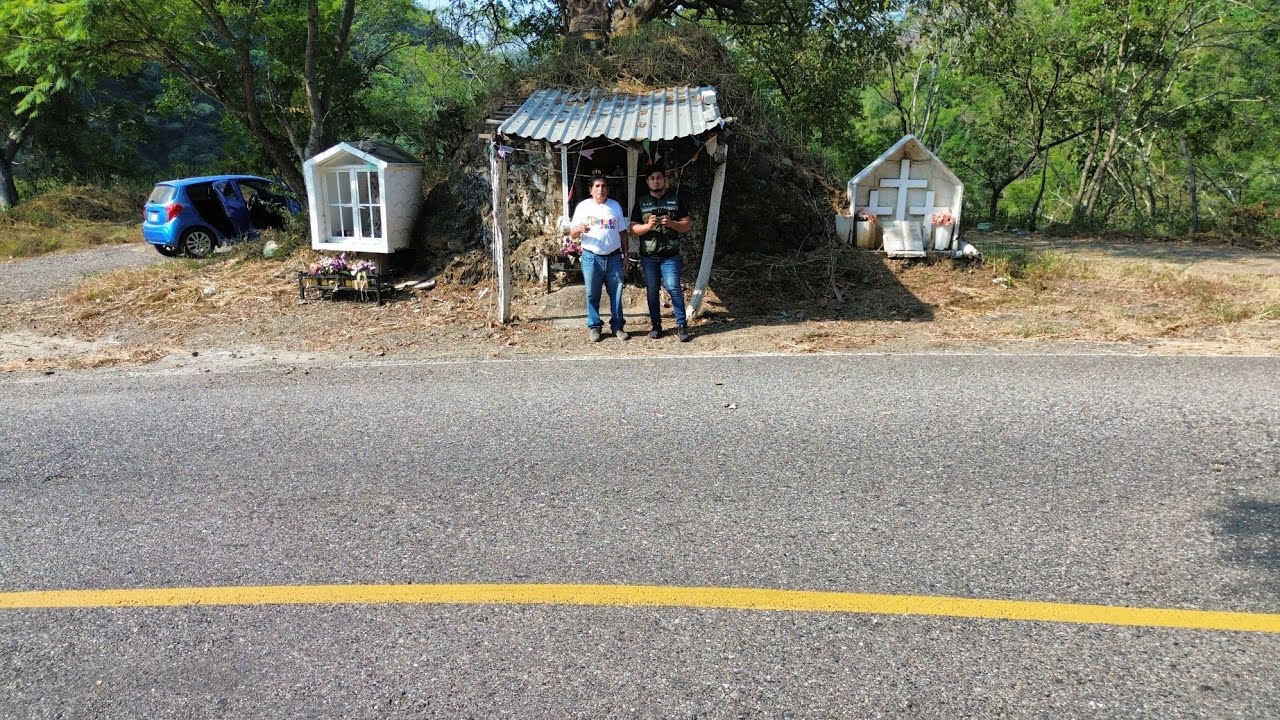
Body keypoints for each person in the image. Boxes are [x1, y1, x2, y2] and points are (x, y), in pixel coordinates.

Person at [629, 166, 693, 341]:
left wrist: (672, 224)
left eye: (659, 177)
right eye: (652, 178)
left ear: (664, 180)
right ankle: (656, 325)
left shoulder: (675, 200)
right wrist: (648, 226)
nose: (656, 181)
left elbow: (687, 225)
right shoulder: (641, 202)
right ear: (647, 181)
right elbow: (633, 229)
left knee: (674, 288)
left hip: (670, 256)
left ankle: (681, 325)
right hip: (649, 256)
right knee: (652, 291)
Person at [569, 174, 630, 342]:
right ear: (590, 190)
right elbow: (572, 232)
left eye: (603, 186)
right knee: (592, 293)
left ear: (607, 189)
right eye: (596, 186)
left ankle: (618, 326)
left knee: (616, 293)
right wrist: (579, 228)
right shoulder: (582, 207)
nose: (600, 189)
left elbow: (623, 233)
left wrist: (626, 256)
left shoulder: (615, 206)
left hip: (614, 257)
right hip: (591, 257)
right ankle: (595, 326)